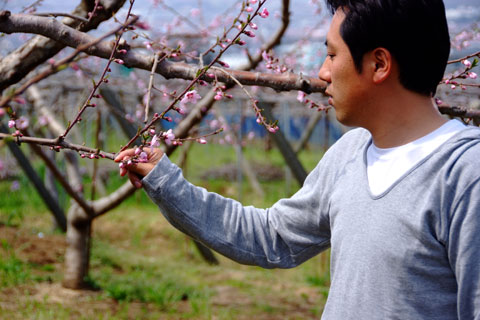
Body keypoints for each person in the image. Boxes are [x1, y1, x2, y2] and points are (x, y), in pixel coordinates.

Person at [115, 0, 480, 318]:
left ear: (379, 63)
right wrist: (165, 182)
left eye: (333, 55)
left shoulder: (465, 176)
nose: (322, 73)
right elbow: (271, 237)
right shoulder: (350, 154)